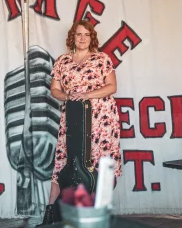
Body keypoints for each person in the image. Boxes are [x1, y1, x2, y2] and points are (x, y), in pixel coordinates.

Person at [39, 20, 121, 226]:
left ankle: (95, 214)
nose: (82, 38)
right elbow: (54, 90)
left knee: (99, 165)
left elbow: (112, 87)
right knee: (64, 163)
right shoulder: (62, 61)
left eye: (86, 34)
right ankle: (50, 214)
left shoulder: (102, 58)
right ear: (72, 37)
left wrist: (86, 94)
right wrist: (69, 96)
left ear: (91, 37)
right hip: (74, 118)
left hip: (101, 120)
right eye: (78, 34)